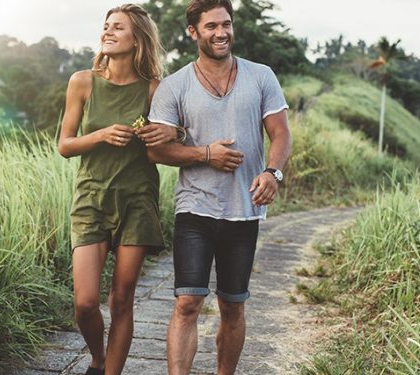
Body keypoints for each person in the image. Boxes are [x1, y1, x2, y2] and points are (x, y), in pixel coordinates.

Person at [136, 0, 292, 374]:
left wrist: (273, 172)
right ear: (194, 32)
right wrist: (206, 154)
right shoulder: (174, 86)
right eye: (211, 27)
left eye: (226, 24)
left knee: (233, 305)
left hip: (244, 208)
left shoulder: (261, 76)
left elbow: (280, 132)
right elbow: (157, 151)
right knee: (187, 302)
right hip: (195, 208)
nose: (221, 33)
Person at [57, 4, 176, 375]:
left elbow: (169, 141)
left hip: (137, 200)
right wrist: (101, 135)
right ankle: (97, 357)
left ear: (137, 38)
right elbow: (65, 144)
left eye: (117, 28)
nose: (107, 32)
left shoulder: (156, 89)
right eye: (106, 26)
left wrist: (175, 132)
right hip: (90, 198)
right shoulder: (83, 82)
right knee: (86, 303)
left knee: (122, 300)